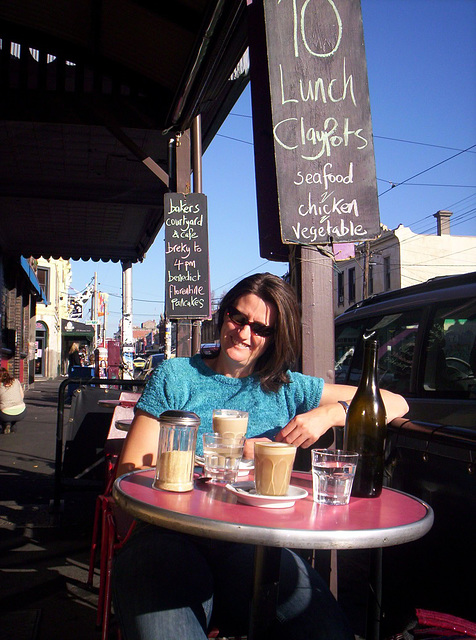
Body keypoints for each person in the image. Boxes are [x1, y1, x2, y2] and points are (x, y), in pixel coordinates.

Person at [113, 273, 409, 640]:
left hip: (253, 547)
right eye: (238, 318)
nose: (243, 333)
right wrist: (215, 462)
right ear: (223, 316)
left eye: (261, 329)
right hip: (168, 537)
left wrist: (328, 415)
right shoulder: (177, 376)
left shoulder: (287, 387)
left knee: (328, 631)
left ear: (275, 338)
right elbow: (130, 475)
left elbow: (396, 402)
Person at [0, 368, 27, 434]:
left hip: (5, 414)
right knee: (10, 414)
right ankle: (12, 425)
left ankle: (5, 425)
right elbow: (22, 396)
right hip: (22, 411)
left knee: (4, 411)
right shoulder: (16, 381)